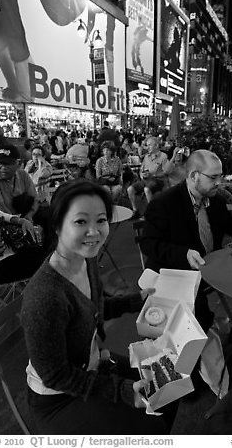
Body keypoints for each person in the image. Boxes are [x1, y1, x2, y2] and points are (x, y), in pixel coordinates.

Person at [21, 179, 175, 434]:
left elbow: (94, 309)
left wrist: (137, 299)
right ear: (58, 225)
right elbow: (56, 376)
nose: (94, 232)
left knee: (169, 385)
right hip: (59, 397)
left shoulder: (85, 259)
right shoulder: (45, 297)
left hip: (93, 366)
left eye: (101, 220)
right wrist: (118, 389)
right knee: (151, 424)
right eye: (81, 221)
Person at [140, 150, 232, 336]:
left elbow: (231, 223)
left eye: (220, 176)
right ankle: (196, 355)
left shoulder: (215, 200)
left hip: (212, 266)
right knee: (199, 314)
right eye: (213, 177)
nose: (219, 183)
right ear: (194, 176)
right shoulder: (164, 203)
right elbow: (148, 243)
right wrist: (183, 253)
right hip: (177, 272)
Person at [127, 136, 168, 219]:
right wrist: (142, 175)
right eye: (146, 145)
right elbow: (141, 170)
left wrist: (153, 175)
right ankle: (136, 211)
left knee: (146, 189)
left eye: (149, 145)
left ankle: (151, 212)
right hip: (146, 180)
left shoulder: (163, 156)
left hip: (157, 180)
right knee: (130, 189)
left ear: (156, 146)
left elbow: (166, 172)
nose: (147, 147)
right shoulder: (146, 157)